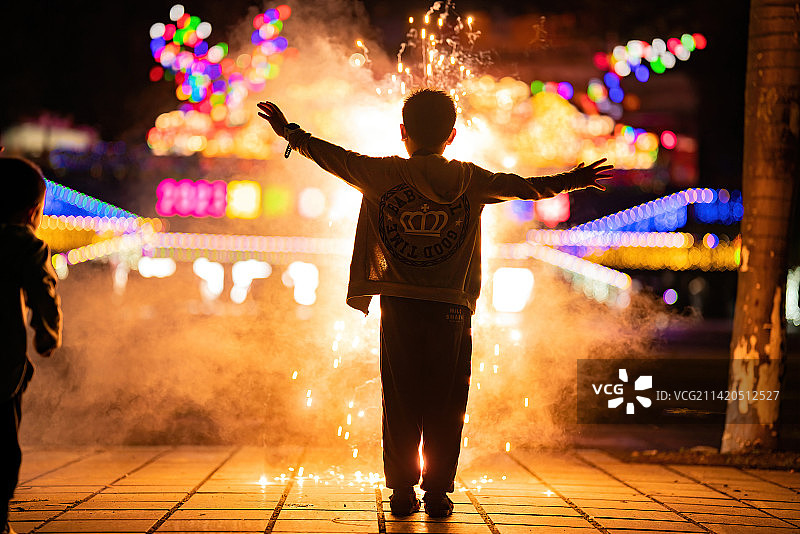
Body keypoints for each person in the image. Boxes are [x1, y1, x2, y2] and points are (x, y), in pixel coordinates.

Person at [257, 90, 611, 518]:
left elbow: (334, 157)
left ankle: (402, 492)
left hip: (400, 305)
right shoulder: (470, 178)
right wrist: (572, 180)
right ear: (453, 135)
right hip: (452, 309)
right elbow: (526, 187)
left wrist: (289, 132)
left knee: (400, 397)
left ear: (403, 133)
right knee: (447, 401)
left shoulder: (381, 174)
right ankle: (439, 493)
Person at [0, 158, 62, 534]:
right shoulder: (25, 243)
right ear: (32, 210)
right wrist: (47, 333)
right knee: (4, 444)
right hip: (2, 363)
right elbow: (43, 292)